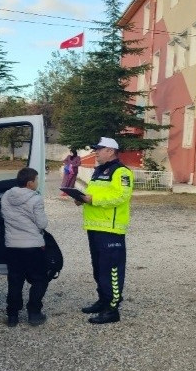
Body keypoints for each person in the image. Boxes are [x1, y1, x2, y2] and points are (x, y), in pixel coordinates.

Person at [73, 137, 133, 325]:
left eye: (99, 149)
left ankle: (112, 310)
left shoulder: (122, 172)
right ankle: (103, 300)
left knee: (112, 270)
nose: (96, 152)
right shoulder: (99, 171)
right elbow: (96, 194)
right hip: (94, 226)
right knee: (99, 268)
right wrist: (82, 199)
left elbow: (121, 196)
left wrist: (93, 200)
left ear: (111, 151)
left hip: (111, 229)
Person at [0, 167, 49, 327]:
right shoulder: (36, 199)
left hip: (12, 246)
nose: (37, 183)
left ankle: (12, 315)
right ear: (30, 183)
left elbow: (3, 216)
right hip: (33, 246)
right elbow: (42, 223)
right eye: (36, 180)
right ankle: (34, 313)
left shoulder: (7, 196)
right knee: (39, 279)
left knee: (15, 280)